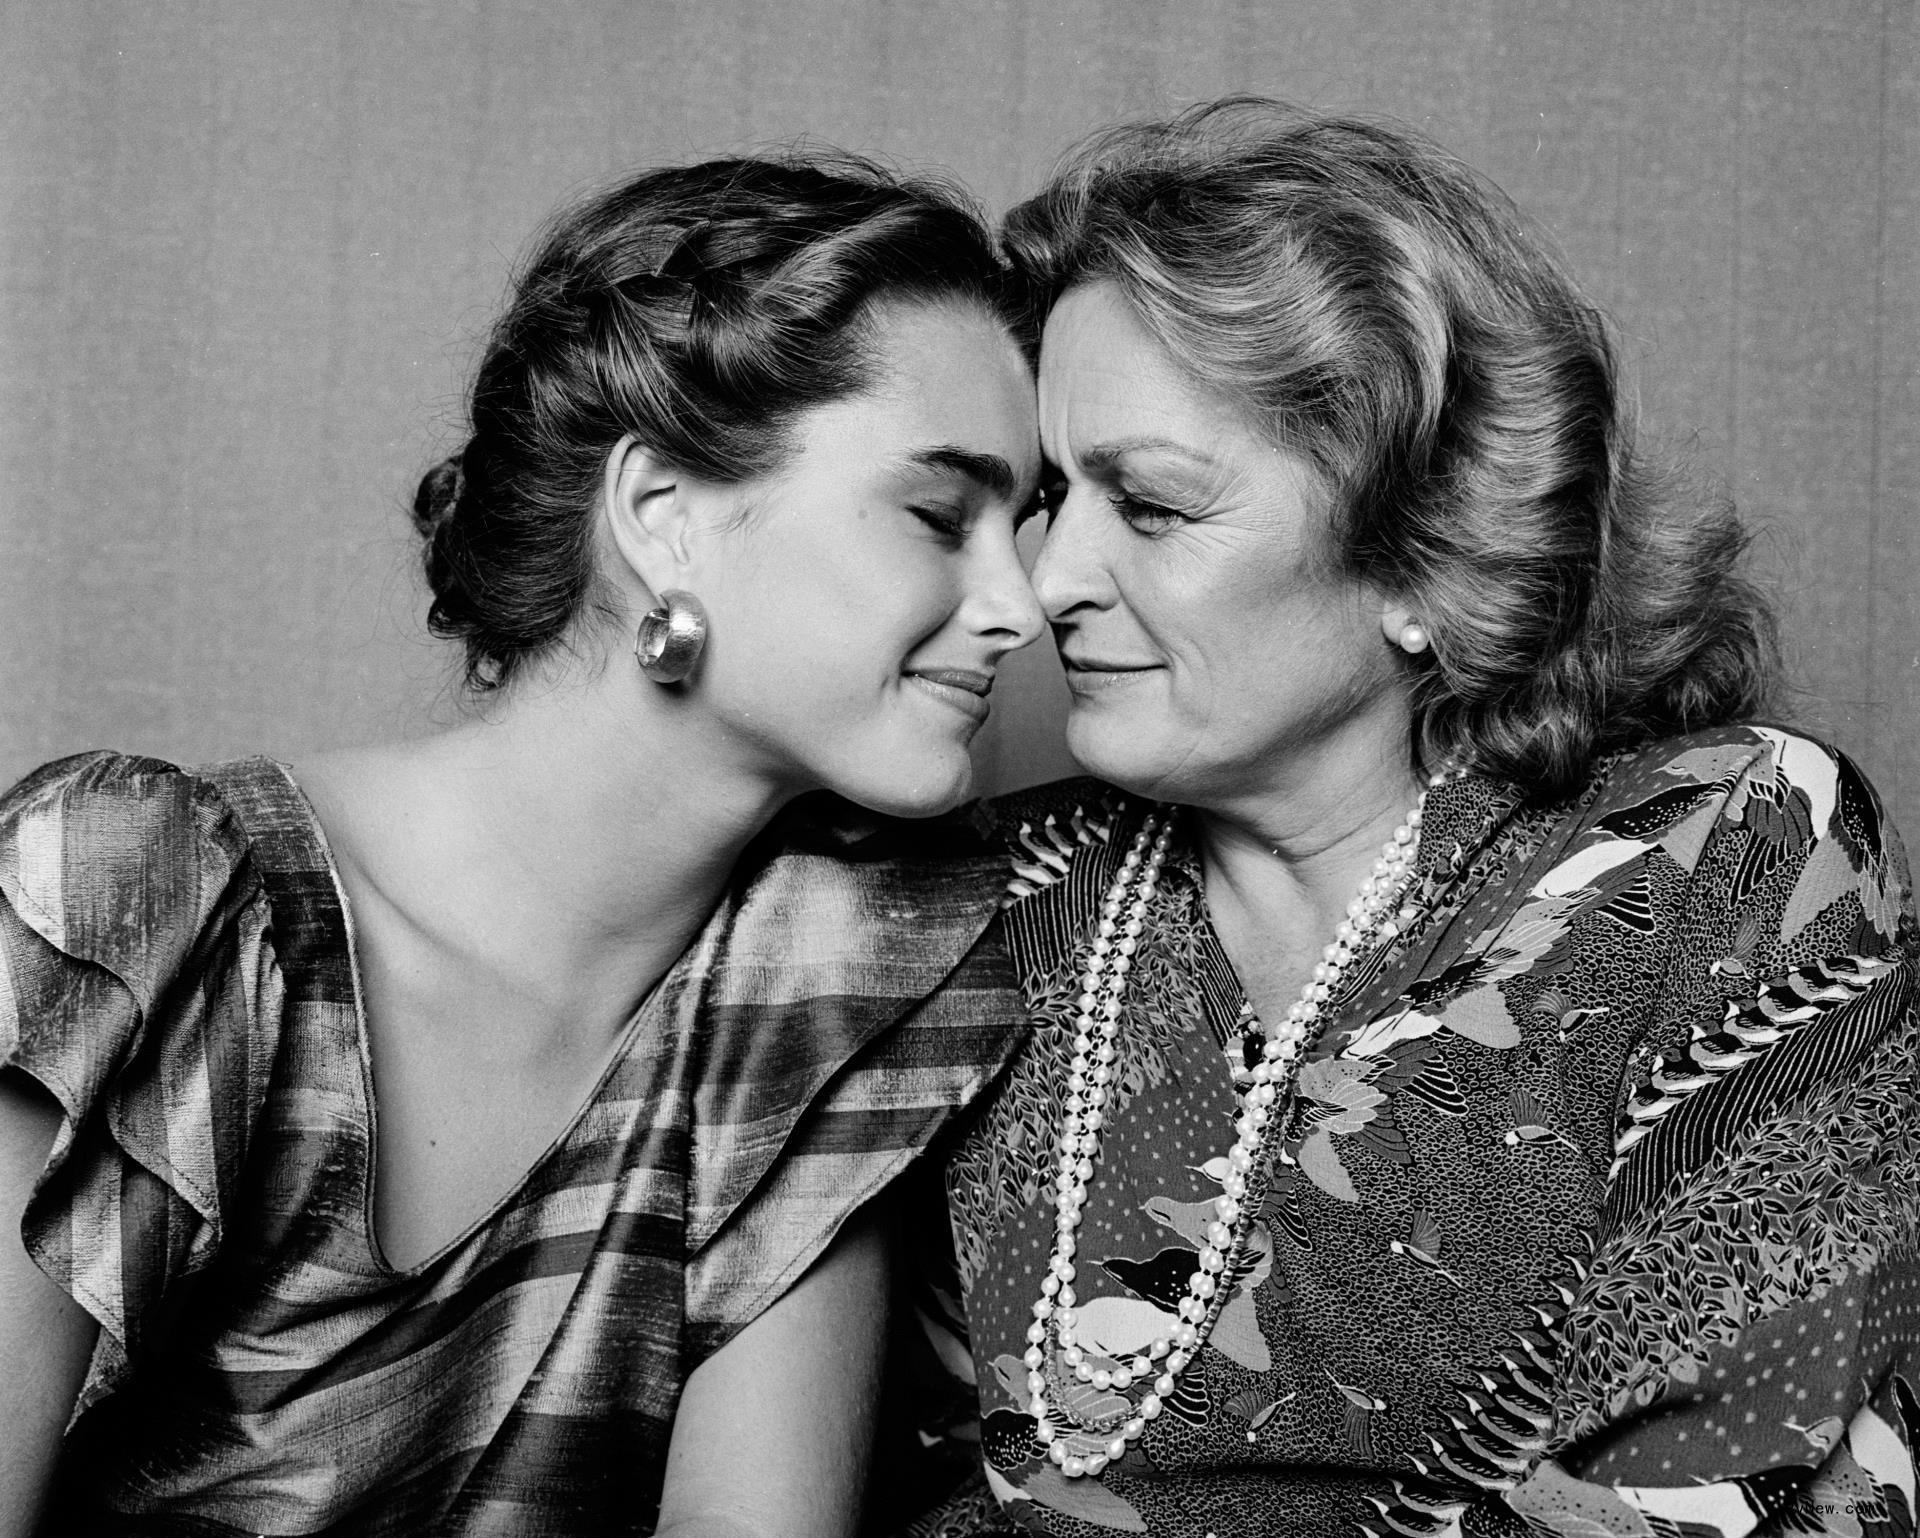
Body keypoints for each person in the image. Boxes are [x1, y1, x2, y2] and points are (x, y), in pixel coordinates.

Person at [900, 100, 1920, 1538]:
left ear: (1424, 554)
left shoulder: (1727, 854)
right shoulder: (997, 905)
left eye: (1154, 505)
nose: (1047, 573)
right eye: (1055, 494)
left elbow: (1708, 1494)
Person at [0, 151, 1048, 1536]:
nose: (1021, 607)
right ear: (662, 516)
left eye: (1024, 528)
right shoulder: (146, 899)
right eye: (939, 514)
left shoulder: (813, 981)